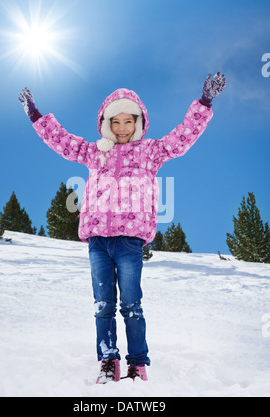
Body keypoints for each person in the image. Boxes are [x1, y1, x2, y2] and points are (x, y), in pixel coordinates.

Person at [18, 73, 226, 384]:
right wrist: (35, 114)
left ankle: (137, 364)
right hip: (98, 241)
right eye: (115, 122)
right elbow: (61, 141)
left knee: (131, 304)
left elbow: (183, 137)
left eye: (129, 121)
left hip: (129, 242)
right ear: (105, 124)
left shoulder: (150, 152)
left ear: (139, 123)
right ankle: (107, 361)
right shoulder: (94, 152)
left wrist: (205, 102)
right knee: (103, 305)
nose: (122, 128)